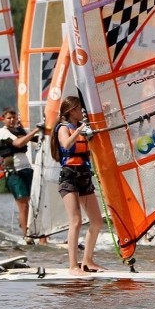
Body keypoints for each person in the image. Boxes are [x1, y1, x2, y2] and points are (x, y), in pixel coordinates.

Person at [50, 96, 105, 275]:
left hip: (84, 175)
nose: (82, 111)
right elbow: (66, 144)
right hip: (69, 178)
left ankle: (87, 261)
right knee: (76, 221)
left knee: (97, 221)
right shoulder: (63, 128)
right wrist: (80, 129)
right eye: (80, 108)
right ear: (71, 110)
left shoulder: (83, 128)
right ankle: (73, 266)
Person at [0, 108, 40, 239]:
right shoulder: (2, 132)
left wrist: (46, 129)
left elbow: (37, 138)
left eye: (13, 118)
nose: (12, 120)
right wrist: (36, 130)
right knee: (23, 204)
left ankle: (41, 235)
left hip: (27, 169)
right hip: (14, 172)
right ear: (3, 119)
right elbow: (19, 143)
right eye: (9, 118)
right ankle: (26, 235)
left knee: (35, 203)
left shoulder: (21, 130)